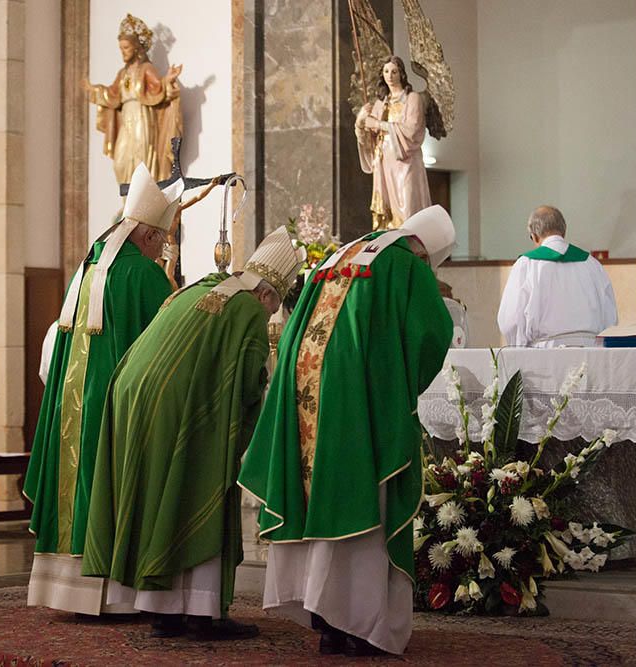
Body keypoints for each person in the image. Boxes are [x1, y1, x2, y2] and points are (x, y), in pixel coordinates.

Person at [238, 206, 455, 656]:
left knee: (318, 499)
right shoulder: (405, 264)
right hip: (355, 397)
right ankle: (360, 626)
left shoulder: (344, 253)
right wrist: (399, 387)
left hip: (306, 389)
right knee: (360, 503)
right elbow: (433, 333)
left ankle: (326, 622)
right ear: (427, 252)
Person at [81, 227, 305, 640]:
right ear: (268, 295)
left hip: (133, 396)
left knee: (159, 500)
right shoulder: (248, 309)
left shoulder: (204, 285)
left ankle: (163, 611)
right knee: (200, 485)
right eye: (274, 308)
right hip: (177, 407)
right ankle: (202, 615)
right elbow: (249, 384)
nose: (271, 316)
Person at [24, 163, 181, 615]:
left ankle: (68, 590)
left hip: (76, 404)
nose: (163, 249)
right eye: (163, 240)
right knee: (111, 483)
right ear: (148, 236)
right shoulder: (145, 276)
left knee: (78, 481)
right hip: (116, 405)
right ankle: (113, 595)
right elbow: (164, 347)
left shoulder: (90, 268)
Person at [497, 205, 618, 347]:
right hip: (589, 351)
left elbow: (511, 320)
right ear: (563, 232)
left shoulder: (526, 264)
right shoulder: (592, 264)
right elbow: (610, 318)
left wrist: (518, 349)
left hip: (544, 353)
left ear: (534, 236)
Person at [84, 13, 183, 184]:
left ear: (136, 48)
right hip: (126, 120)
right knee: (120, 162)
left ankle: (141, 204)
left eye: (126, 48)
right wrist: (94, 90)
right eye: (121, 48)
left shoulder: (146, 68)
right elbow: (112, 94)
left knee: (140, 161)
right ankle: (127, 204)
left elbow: (158, 88)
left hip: (142, 120)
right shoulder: (122, 73)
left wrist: (168, 79)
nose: (123, 52)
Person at [355, 55, 431, 230]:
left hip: (405, 161)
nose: (390, 75)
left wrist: (379, 124)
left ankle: (410, 245)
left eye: (394, 71)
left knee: (408, 207)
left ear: (402, 74)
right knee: (387, 216)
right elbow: (367, 138)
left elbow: (412, 130)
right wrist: (361, 121)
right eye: (386, 71)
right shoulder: (381, 104)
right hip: (384, 162)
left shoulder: (413, 99)